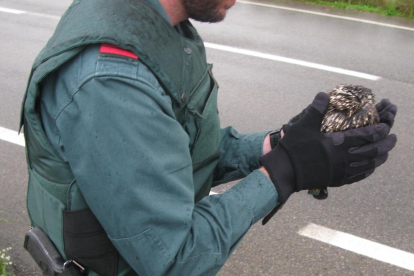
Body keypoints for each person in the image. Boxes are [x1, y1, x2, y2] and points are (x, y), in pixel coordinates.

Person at [20, 0, 397, 275]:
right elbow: (173, 260)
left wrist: (278, 145)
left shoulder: (154, 23)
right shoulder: (110, 79)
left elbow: (169, 155)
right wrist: (284, 172)